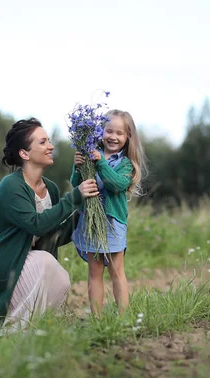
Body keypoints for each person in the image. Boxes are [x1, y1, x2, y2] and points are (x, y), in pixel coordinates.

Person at [0, 118, 99, 334]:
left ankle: (22, 328)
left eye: (49, 141)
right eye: (43, 142)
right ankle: (8, 329)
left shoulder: (52, 189)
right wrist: (75, 197)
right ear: (24, 154)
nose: (51, 146)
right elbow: (36, 225)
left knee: (61, 278)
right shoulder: (11, 186)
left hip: (24, 262)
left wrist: (84, 214)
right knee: (47, 262)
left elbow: (52, 235)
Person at [70, 109, 147, 316]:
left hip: (113, 223)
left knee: (116, 270)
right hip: (90, 221)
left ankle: (122, 318)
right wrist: (78, 167)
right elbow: (76, 184)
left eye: (119, 133)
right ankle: (97, 318)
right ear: (99, 132)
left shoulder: (126, 164)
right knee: (94, 272)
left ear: (128, 136)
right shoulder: (90, 154)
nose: (113, 137)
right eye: (108, 131)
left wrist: (101, 163)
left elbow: (116, 184)